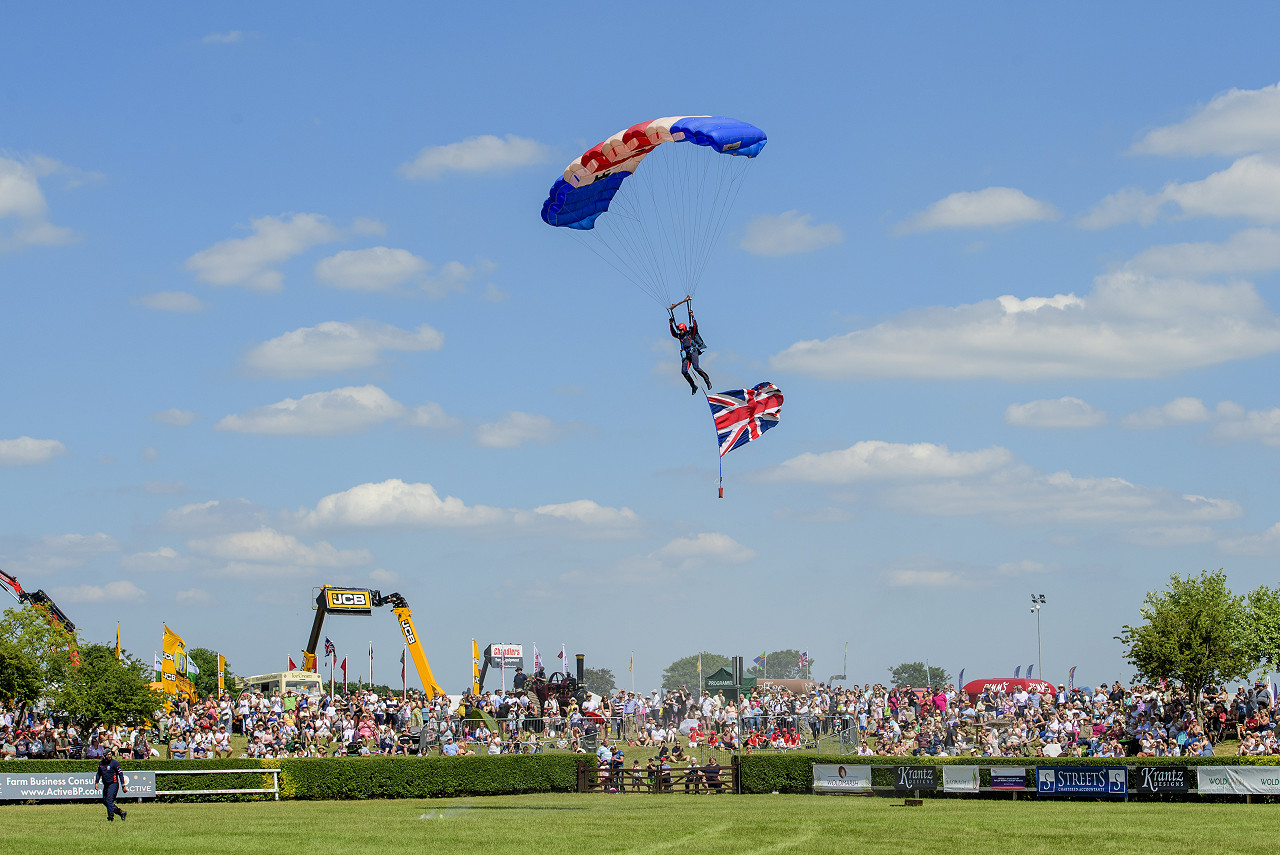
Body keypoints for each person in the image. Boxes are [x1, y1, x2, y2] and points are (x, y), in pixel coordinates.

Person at [669, 305, 711, 395]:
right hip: (686, 355)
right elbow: (673, 334)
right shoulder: (680, 336)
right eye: (679, 330)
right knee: (684, 371)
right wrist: (671, 324)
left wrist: (692, 316)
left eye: (680, 330)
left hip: (693, 351)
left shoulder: (690, 333)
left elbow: (695, 326)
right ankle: (693, 386)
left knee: (696, 367)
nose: (679, 331)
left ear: (684, 329)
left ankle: (707, 380)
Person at [95, 748, 128, 822]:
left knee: (109, 800)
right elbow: (98, 773)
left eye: (110, 754)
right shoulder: (101, 763)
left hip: (113, 784)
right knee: (105, 801)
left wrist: (123, 786)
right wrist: (96, 782)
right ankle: (121, 812)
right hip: (106, 785)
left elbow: (120, 774)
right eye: (108, 754)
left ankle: (110, 816)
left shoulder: (114, 763)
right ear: (104, 756)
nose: (110, 756)